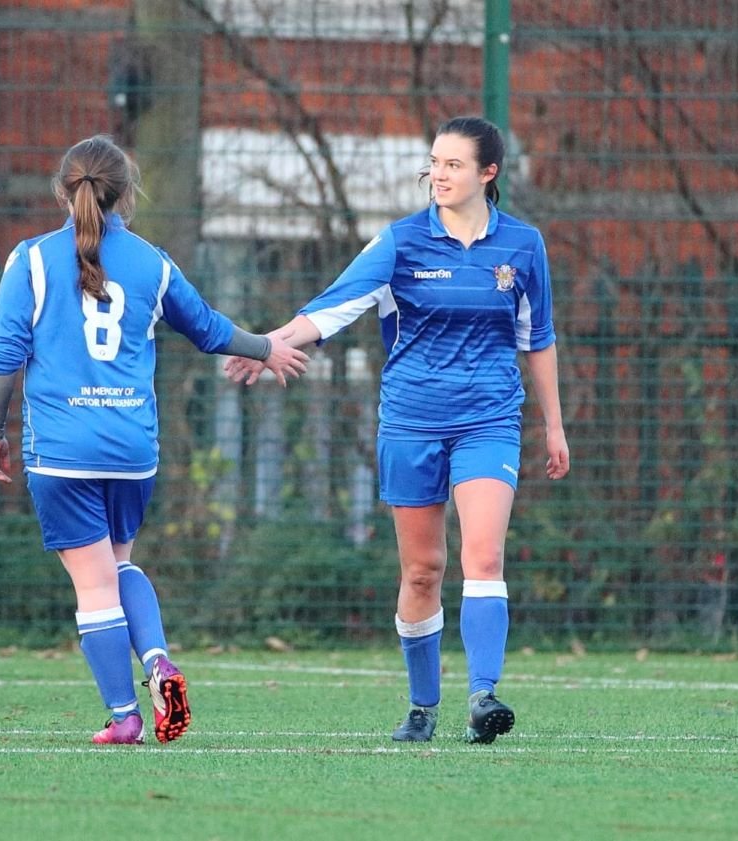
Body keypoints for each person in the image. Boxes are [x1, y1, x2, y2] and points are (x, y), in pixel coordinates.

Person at [225, 115, 570, 744]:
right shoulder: (399, 243)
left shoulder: (523, 246)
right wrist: (263, 344)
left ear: (488, 173)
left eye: (454, 164)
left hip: (489, 421)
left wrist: (554, 425)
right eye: (434, 162)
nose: (439, 174)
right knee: (421, 571)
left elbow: (537, 339)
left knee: (484, 555)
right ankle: (422, 707)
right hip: (410, 423)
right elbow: (329, 308)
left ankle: (484, 697)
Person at [0, 135, 309, 744]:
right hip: (132, 449)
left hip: (63, 450)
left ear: (63, 190)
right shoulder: (154, 263)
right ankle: (157, 661)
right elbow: (209, 330)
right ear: (126, 194)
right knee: (120, 563)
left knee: (93, 583)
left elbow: (6, 354)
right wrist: (267, 349)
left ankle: (124, 715)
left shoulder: (29, 260)